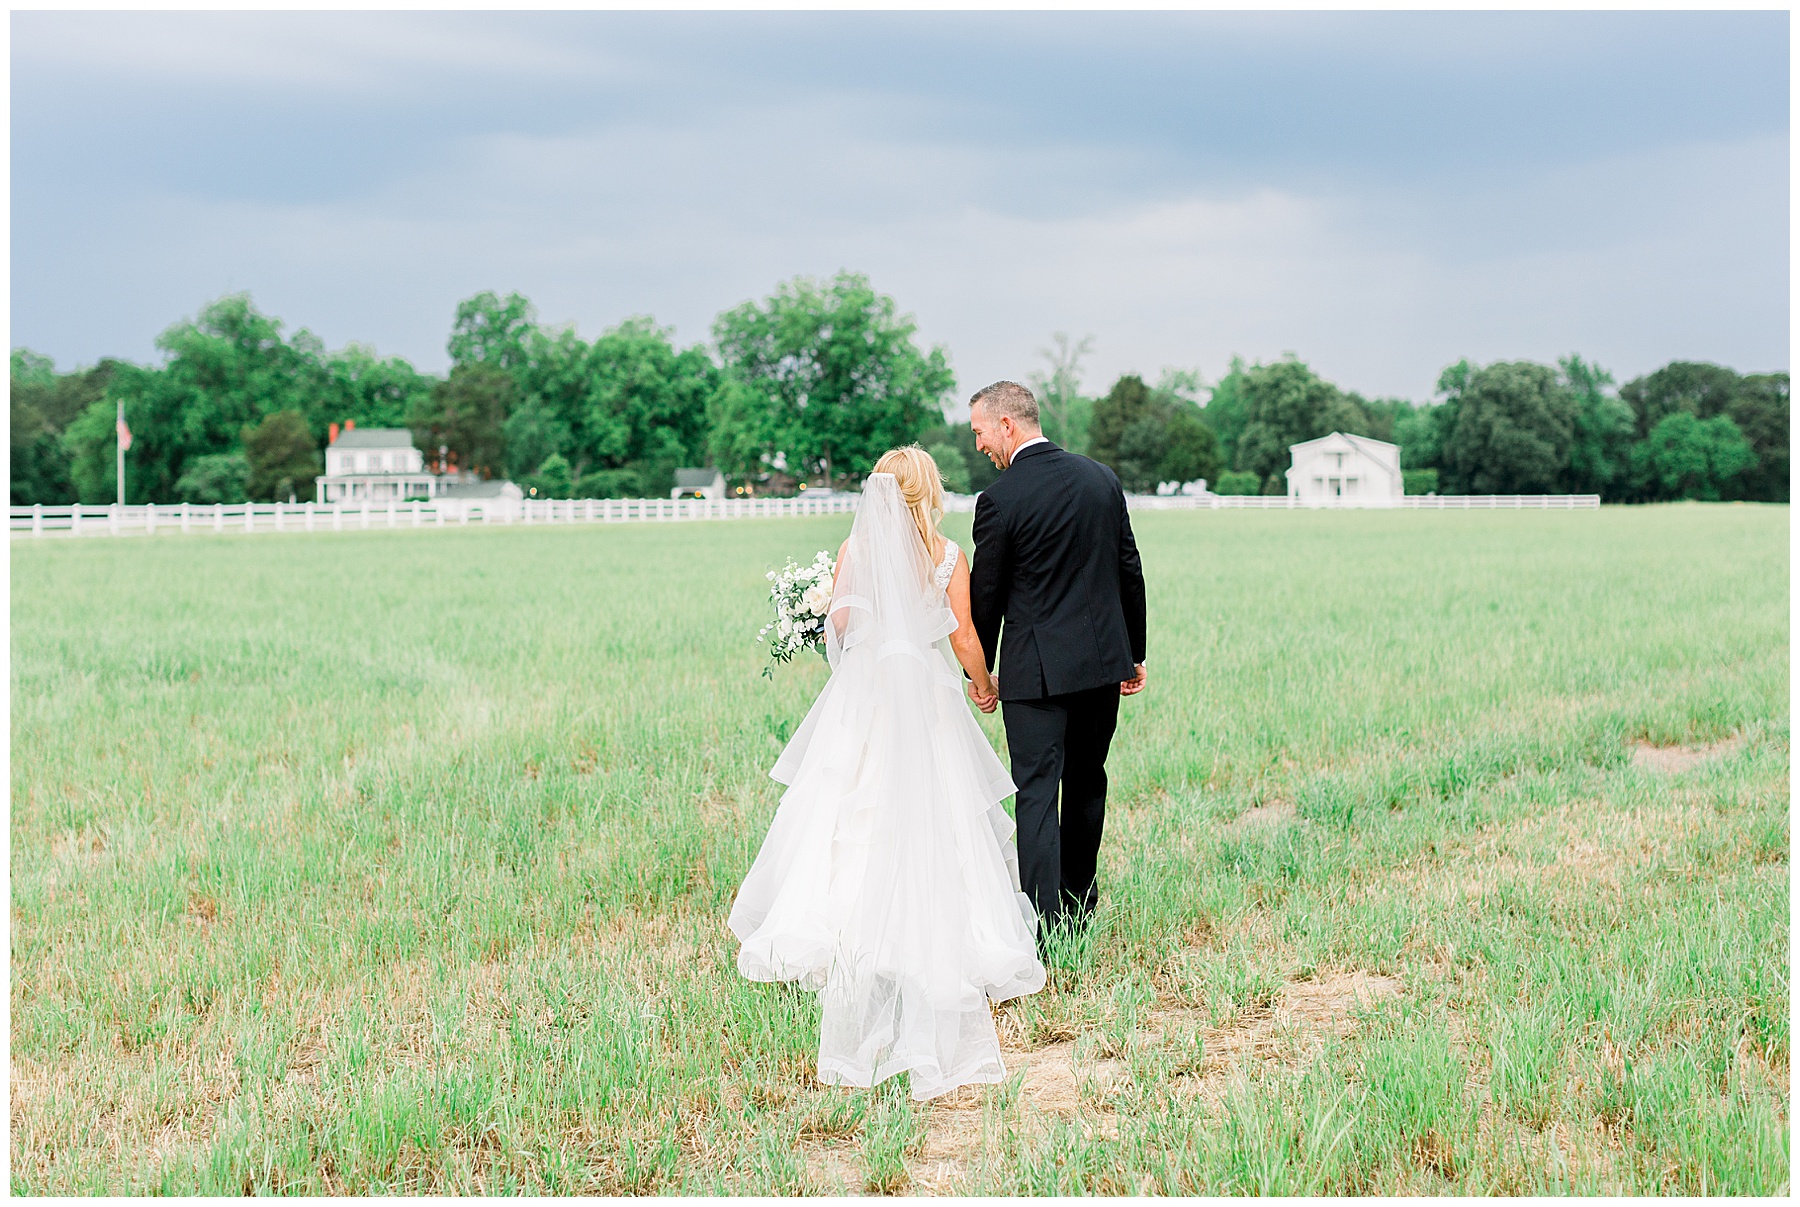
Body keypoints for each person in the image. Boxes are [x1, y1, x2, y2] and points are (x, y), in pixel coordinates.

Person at [728, 447, 1045, 1101]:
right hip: (925, 685)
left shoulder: (856, 551)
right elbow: (962, 637)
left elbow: (840, 624)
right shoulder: (948, 555)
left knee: (850, 799)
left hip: (871, 683)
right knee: (939, 805)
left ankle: (843, 934)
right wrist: (983, 684)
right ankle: (941, 937)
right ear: (927, 490)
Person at [966, 380, 1148, 949]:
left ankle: (1043, 932)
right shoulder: (1102, 479)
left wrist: (984, 673)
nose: (978, 447)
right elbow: (1129, 569)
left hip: (1036, 678)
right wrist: (1133, 653)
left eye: (978, 433)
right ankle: (1078, 910)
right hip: (1100, 668)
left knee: (1038, 794)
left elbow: (986, 597)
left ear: (1006, 426)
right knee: (1088, 784)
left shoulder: (1000, 500)